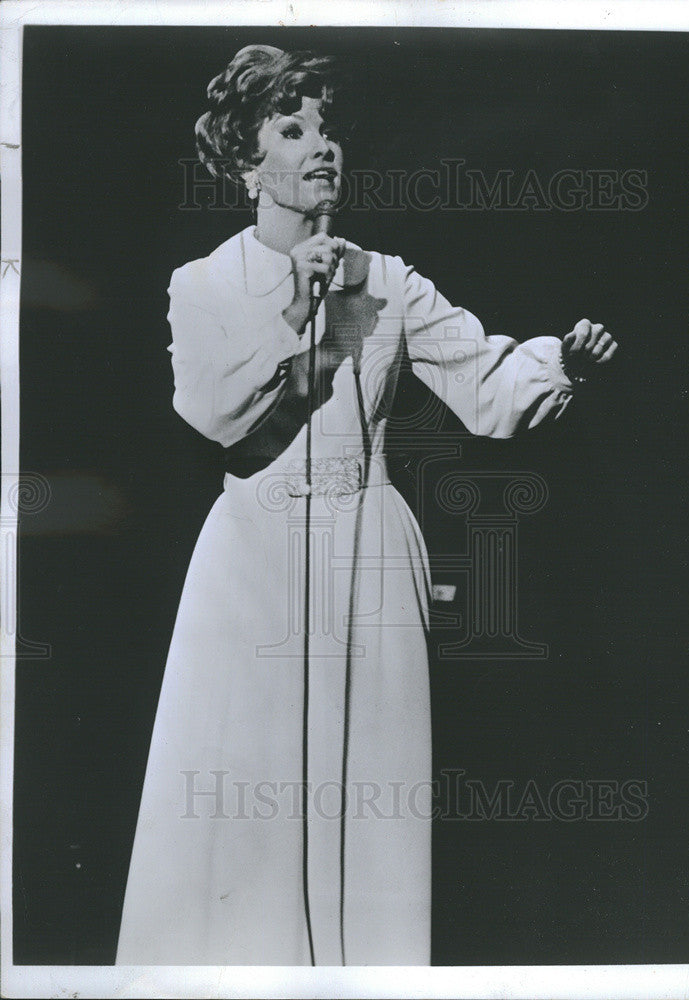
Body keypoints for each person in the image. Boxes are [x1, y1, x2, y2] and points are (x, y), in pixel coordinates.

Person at [116, 43, 618, 967]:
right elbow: (220, 418)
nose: (321, 146)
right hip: (255, 559)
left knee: (369, 802)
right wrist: (297, 312)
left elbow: (486, 386)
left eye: (328, 128)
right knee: (248, 798)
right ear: (243, 160)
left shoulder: (386, 280)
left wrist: (559, 364)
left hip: (371, 555)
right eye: (292, 128)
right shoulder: (206, 283)